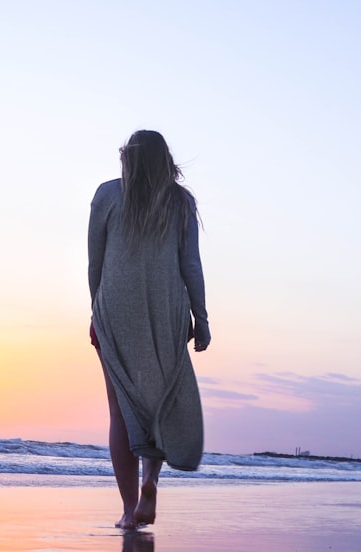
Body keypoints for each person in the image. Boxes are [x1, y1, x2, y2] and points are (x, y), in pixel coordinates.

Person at [87, 130, 210, 530]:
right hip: (166, 311)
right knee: (159, 404)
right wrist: (201, 319)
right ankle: (150, 483)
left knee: (120, 412)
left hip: (116, 310)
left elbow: (96, 263)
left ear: (128, 158)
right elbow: (190, 265)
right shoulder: (180, 203)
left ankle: (128, 510)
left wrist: (96, 312)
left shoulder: (107, 195)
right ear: (165, 161)